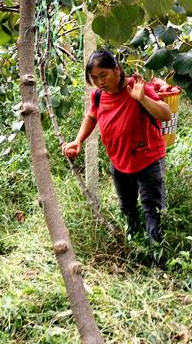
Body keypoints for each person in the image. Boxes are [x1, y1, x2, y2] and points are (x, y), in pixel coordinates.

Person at [62, 49, 172, 243]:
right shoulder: (98, 95)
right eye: (94, 78)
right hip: (119, 161)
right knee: (127, 206)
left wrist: (142, 99)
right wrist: (78, 140)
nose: (100, 82)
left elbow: (165, 114)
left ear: (117, 70)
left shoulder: (138, 87)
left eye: (103, 75)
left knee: (152, 209)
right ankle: (135, 243)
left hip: (148, 159)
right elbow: (91, 116)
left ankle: (157, 256)